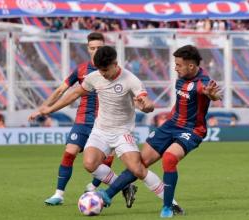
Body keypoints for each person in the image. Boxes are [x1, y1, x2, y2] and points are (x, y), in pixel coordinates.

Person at [30, 46, 168, 211]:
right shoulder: (93, 76)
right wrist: (49, 109)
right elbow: (73, 94)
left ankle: (170, 202)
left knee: (137, 169)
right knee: (89, 163)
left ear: (115, 64)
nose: (102, 74)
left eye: (105, 70)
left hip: (122, 132)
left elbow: (147, 105)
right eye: (99, 70)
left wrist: (146, 106)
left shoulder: (131, 80)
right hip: (100, 129)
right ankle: (123, 187)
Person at [99, 45, 221, 218]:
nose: (175, 68)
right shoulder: (182, 77)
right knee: (139, 163)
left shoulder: (202, 82)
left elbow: (209, 92)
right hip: (171, 125)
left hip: (192, 129)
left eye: (178, 65)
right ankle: (107, 195)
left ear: (191, 66)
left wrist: (212, 95)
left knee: (170, 159)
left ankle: (167, 207)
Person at [28, 33, 135, 207]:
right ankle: (59, 194)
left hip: (106, 122)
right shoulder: (81, 70)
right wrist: (43, 108)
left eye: (99, 48)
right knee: (69, 152)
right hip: (83, 120)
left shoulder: (114, 70)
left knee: (102, 161)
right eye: (92, 48)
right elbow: (62, 90)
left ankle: (99, 186)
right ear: (88, 49)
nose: (95, 51)